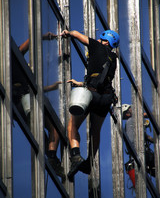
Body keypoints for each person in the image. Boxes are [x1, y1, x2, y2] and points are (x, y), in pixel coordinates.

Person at [61, 29, 120, 180]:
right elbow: (101, 79)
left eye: (101, 39)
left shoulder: (96, 45)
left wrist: (67, 32)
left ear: (105, 41)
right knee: (96, 131)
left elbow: (77, 34)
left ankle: (75, 157)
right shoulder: (113, 58)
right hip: (106, 98)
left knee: (72, 126)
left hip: (92, 94)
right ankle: (89, 163)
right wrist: (81, 83)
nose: (98, 40)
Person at [12, 32, 65, 179]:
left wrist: (52, 87)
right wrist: (40, 36)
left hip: (23, 102)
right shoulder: (10, 58)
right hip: (24, 102)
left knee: (50, 130)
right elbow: (21, 49)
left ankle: (52, 157)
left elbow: (31, 88)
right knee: (51, 129)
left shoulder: (15, 68)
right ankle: (52, 158)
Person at [122, 104, 155, 177]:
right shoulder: (131, 121)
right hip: (142, 154)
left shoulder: (131, 124)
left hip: (142, 155)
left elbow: (147, 137)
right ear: (127, 114)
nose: (133, 109)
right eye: (130, 109)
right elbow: (143, 115)